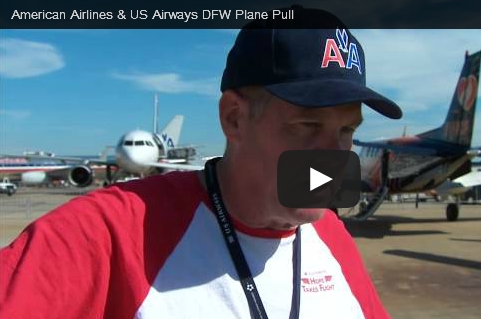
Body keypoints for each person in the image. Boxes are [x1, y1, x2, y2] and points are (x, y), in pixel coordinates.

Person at [0, 6, 402, 319]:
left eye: (346, 130)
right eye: (307, 124)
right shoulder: (102, 234)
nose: (334, 155)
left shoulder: (330, 235)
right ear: (234, 119)